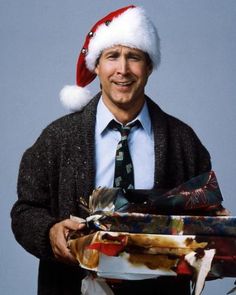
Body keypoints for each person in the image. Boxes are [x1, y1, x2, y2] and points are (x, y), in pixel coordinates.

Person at [11, 5, 211, 295]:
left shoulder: (184, 142)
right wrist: (50, 232)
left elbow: (206, 220)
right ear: (96, 66)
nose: (123, 70)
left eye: (134, 57)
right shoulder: (57, 138)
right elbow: (25, 211)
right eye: (112, 57)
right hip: (72, 285)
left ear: (149, 66)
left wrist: (210, 238)